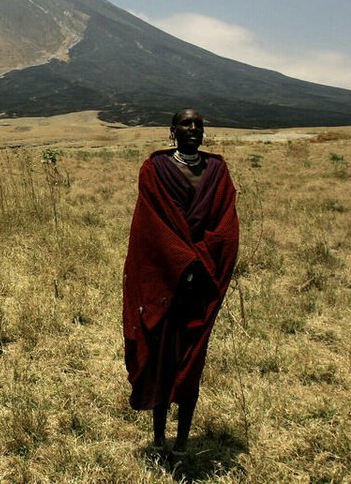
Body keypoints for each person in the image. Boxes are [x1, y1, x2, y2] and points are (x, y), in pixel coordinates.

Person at [122, 108, 239, 457]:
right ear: (172, 131)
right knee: (161, 357)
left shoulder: (217, 171)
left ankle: (183, 442)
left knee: (193, 359)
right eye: (185, 124)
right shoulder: (155, 169)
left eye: (198, 124)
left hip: (202, 281)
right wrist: (182, 261)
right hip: (165, 282)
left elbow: (225, 227)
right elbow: (151, 227)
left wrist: (200, 262)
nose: (193, 128)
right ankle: (159, 439)